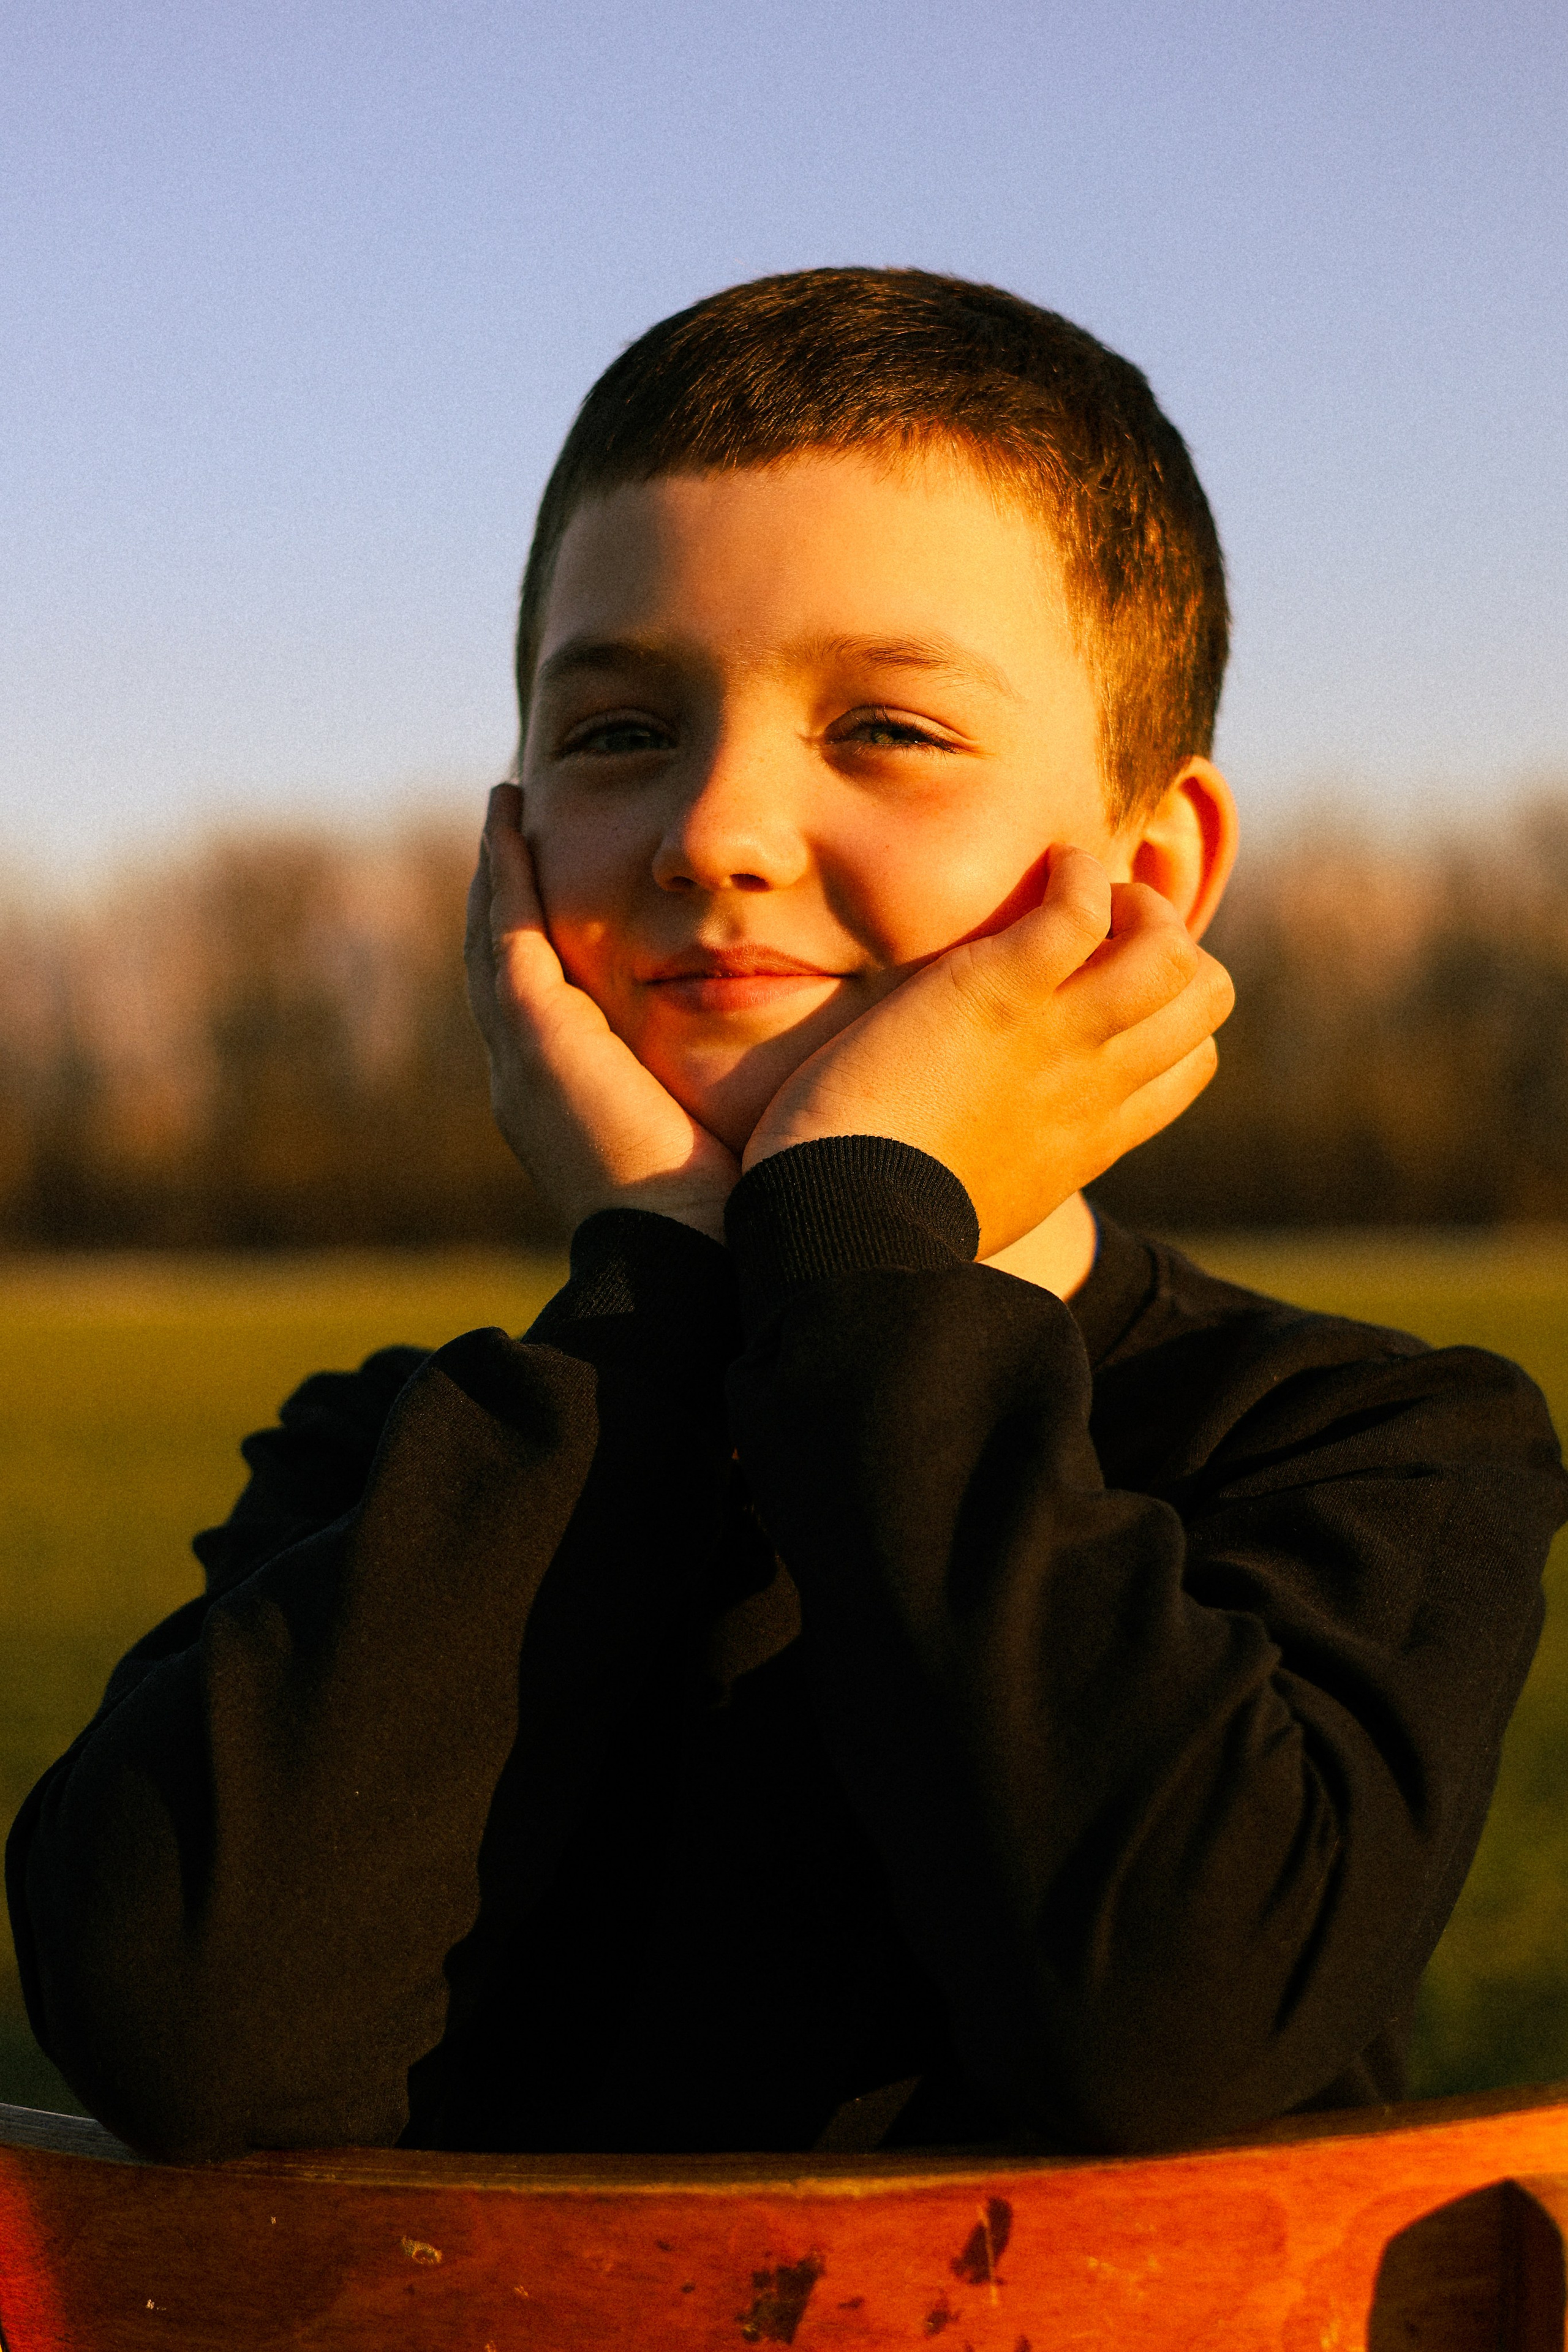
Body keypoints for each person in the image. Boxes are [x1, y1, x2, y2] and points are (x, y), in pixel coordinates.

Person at [9, 270, 1566, 2166]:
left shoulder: (1369, 1445)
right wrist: (659, 1292)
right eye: (615, 732)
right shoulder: (396, 1472)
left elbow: (1168, 2034)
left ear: (1150, 871)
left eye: (886, 727)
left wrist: (861, 1241)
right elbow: (183, 2033)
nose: (714, 833)